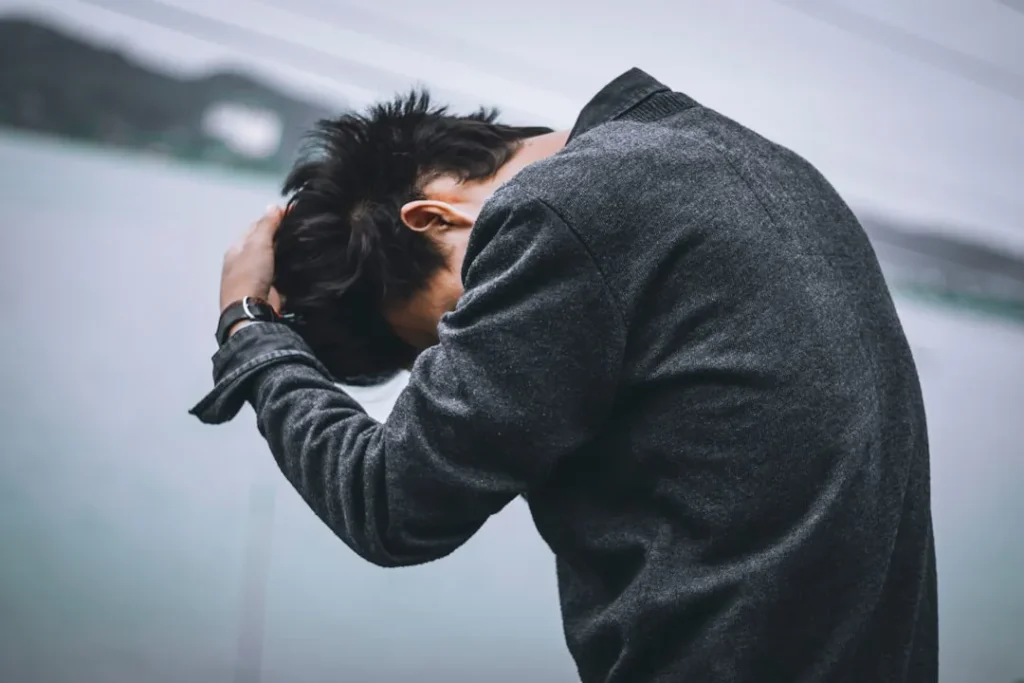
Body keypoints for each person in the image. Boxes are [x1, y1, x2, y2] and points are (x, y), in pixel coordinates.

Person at [190, 68, 937, 683]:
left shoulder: (558, 211)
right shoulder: (771, 169)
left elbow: (390, 501)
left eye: (457, 323)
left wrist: (250, 329)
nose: (468, 350)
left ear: (433, 218)